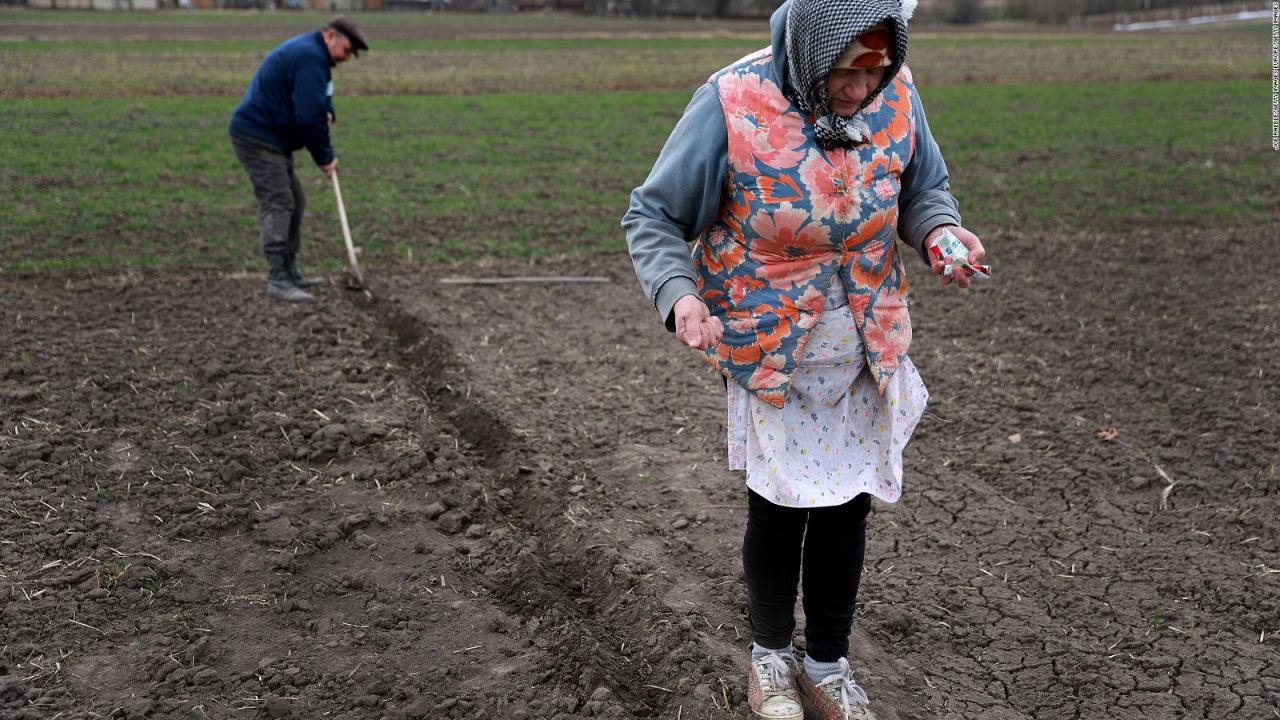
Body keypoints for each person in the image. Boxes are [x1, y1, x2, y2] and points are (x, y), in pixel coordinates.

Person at [622, 0, 985, 718]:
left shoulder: (896, 92)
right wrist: (679, 295)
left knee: (847, 509)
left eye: (876, 72)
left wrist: (942, 234)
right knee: (780, 508)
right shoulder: (734, 100)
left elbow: (922, 187)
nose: (861, 90)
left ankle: (826, 666)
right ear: (815, 51)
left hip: (864, 348)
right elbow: (654, 213)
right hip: (773, 349)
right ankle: (769, 661)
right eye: (849, 73)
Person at [229, 16, 368, 303]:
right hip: (258, 137)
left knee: (295, 201)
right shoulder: (309, 57)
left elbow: (319, 102)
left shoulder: (318, 59)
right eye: (347, 50)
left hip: (273, 138)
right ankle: (278, 279)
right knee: (279, 202)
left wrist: (329, 112)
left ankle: (290, 271)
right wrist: (325, 158)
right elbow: (308, 118)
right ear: (330, 37)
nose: (348, 58)